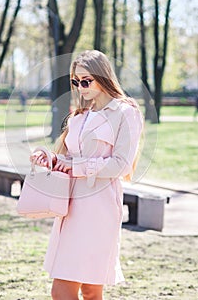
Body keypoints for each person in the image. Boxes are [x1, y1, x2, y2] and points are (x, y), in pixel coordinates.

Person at [30, 50, 143, 300]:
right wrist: (52, 159)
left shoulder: (126, 112)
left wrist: (78, 167)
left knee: (92, 289)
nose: (80, 87)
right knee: (62, 288)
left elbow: (122, 165)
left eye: (85, 80)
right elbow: (70, 158)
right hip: (69, 207)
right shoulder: (79, 116)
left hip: (99, 208)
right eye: (75, 81)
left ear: (103, 77)